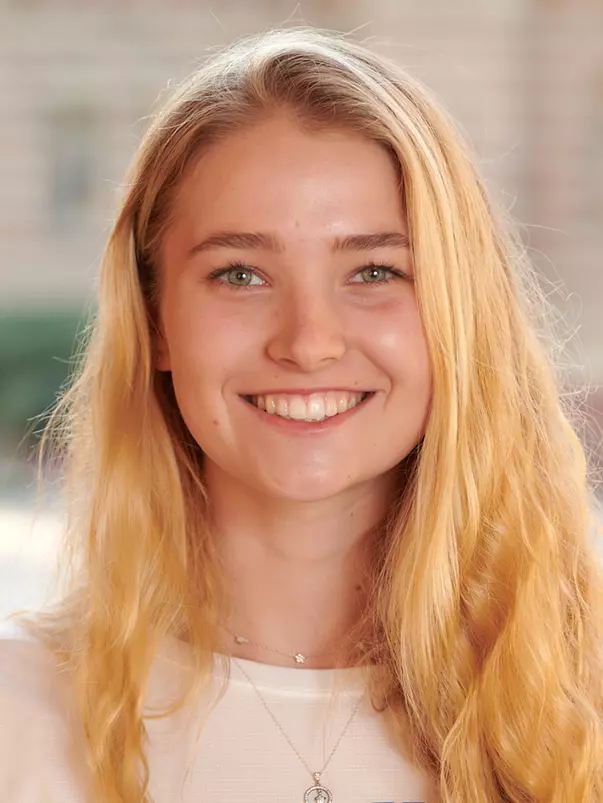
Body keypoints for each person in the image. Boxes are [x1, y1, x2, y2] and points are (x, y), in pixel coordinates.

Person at [1, 26, 603, 803]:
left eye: (375, 269)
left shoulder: (577, 702)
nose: (309, 341)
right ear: (155, 321)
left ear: (458, 312)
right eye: (240, 273)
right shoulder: (20, 715)